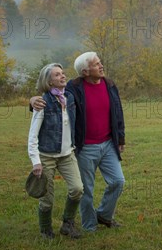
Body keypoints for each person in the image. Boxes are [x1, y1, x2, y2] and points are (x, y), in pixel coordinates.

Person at [31, 52, 126, 232]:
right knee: (86, 190)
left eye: (100, 62)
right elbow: (53, 96)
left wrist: (120, 137)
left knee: (118, 181)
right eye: (97, 64)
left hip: (108, 144)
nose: (101, 66)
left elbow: (117, 111)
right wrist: (33, 101)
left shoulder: (110, 85)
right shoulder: (74, 88)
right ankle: (90, 226)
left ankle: (104, 215)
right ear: (85, 71)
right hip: (85, 148)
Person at [28, 63, 83, 239]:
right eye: (57, 75)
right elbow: (32, 135)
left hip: (67, 155)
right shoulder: (43, 103)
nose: (62, 76)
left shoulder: (69, 97)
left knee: (77, 189)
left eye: (63, 73)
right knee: (47, 198)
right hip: (47, 157)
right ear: (49, 82)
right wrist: (36, 161)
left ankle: (67, 224)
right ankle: (46, 230)